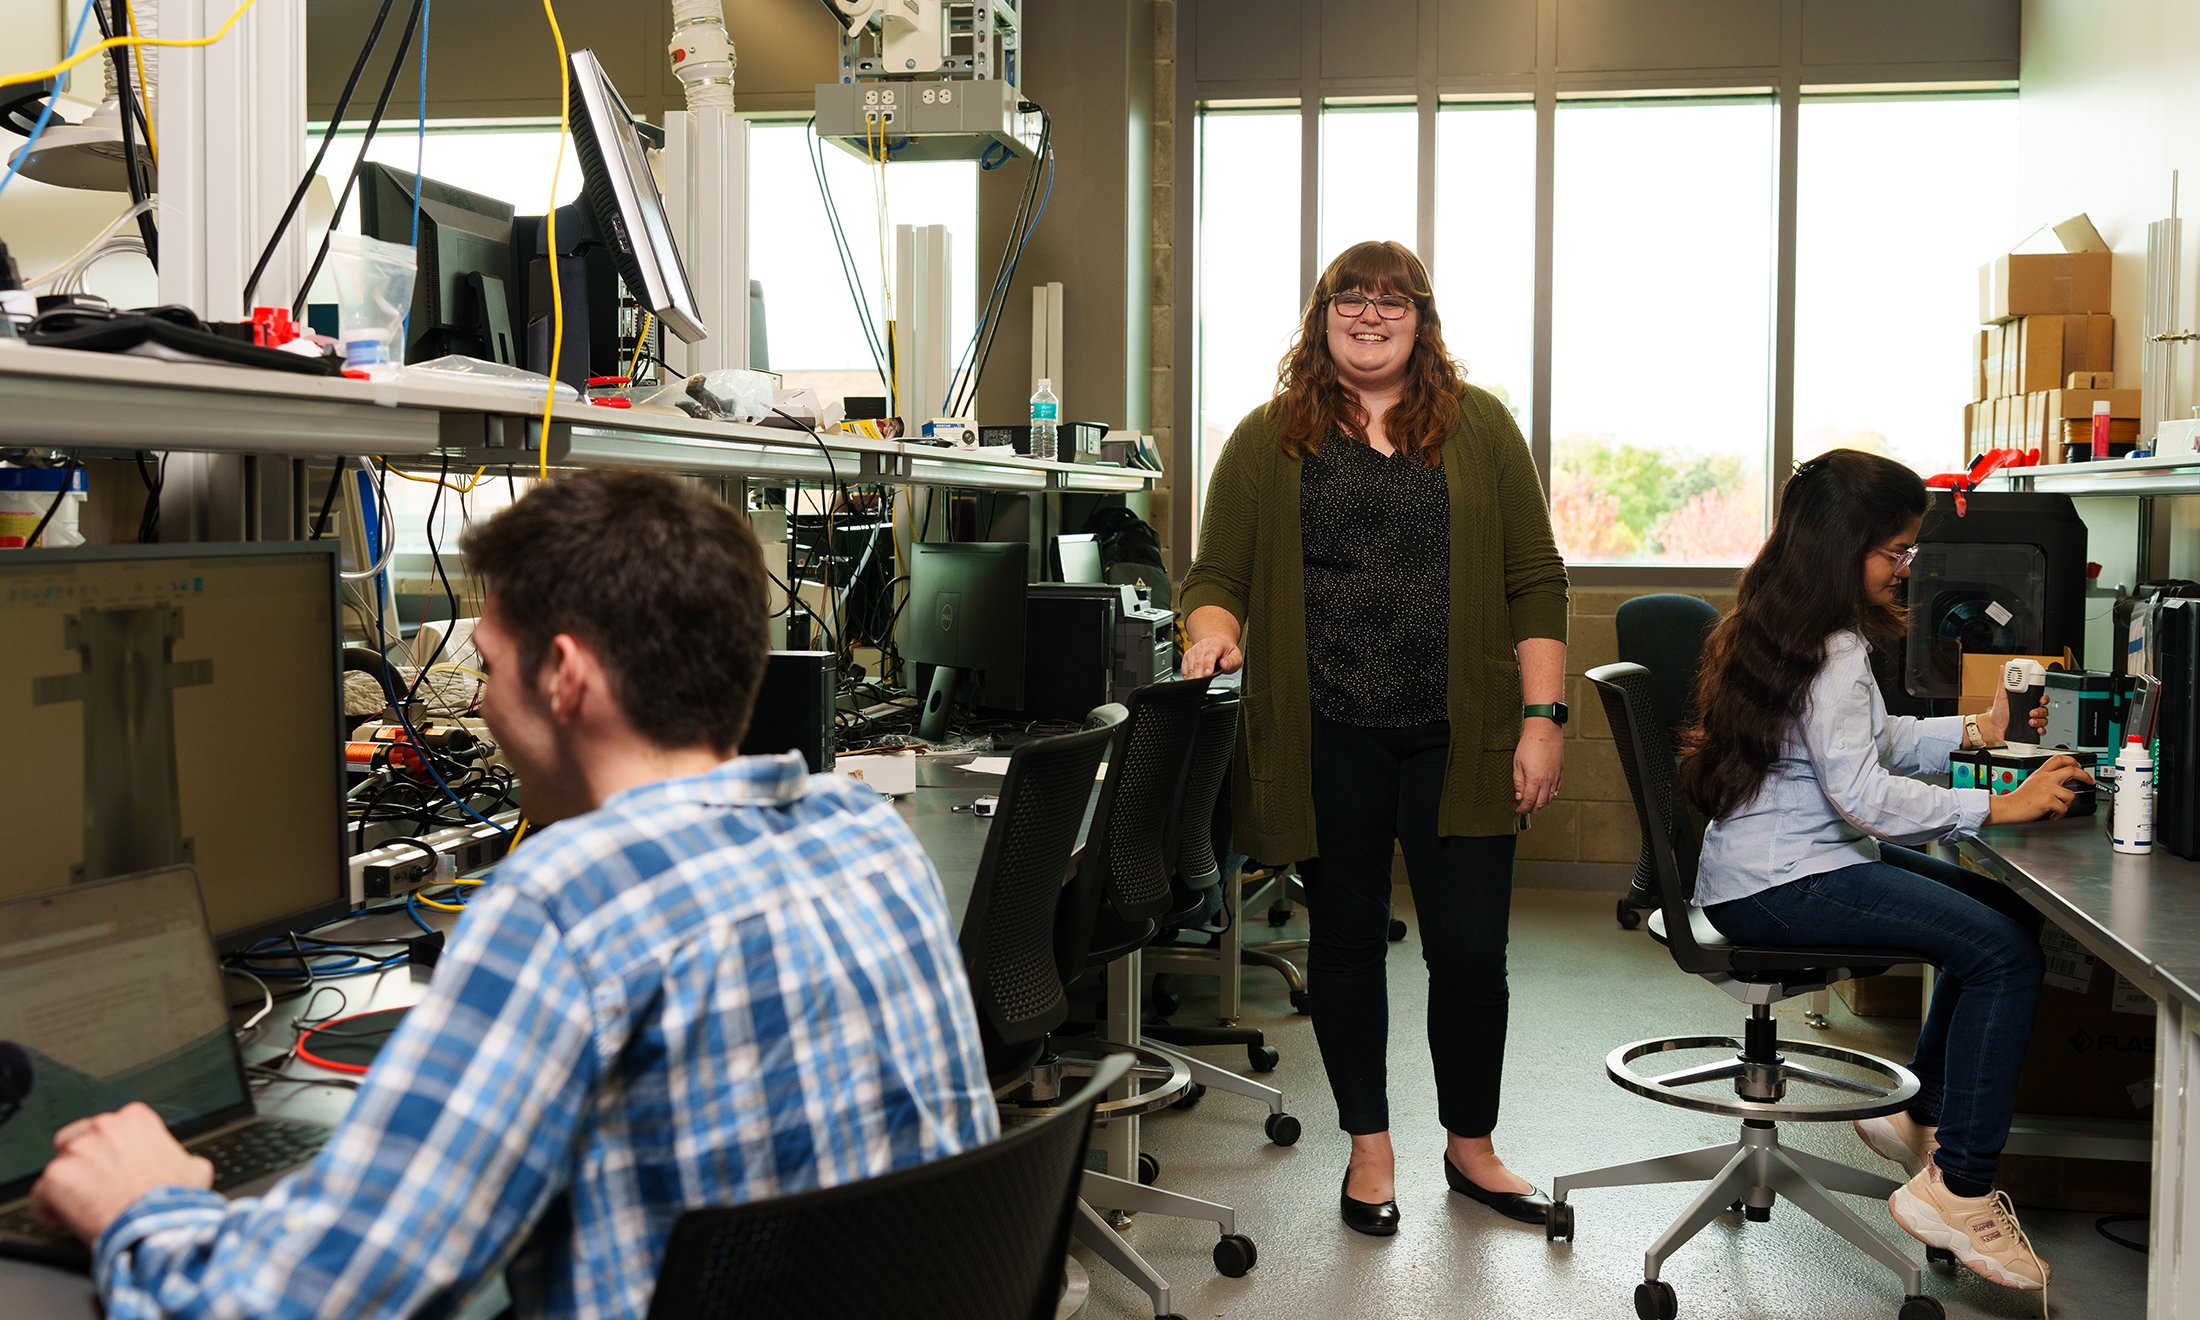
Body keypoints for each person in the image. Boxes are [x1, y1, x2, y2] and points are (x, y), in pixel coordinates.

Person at [31, 470, 999, 1318]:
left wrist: (144, 1201)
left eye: (488, 667)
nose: (483, 703)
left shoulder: (568, 900)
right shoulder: (865, 835)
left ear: (565, 674)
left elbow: (304, 1299)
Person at [1180, 239, 1570, 1237]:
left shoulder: (1479, 428)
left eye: (1389, 300)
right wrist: (1213, 638)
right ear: (1321, 318)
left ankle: (1471, 1148)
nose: (1367, 313)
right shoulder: (1272, 437)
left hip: (1461, 737)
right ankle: (1369, 1150)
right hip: (1328, 736)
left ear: (1421, 319)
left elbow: (1535, 577)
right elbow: (1216, 574)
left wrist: (1542, 718)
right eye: (1347, 298)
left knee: (1472, 954)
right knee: (1346, 946)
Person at [1684, 448, 2082, 1294]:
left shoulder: (1794, 624)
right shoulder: (1829, 648)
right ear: (1841, 546)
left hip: (1781, 866)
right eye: (1894, 552)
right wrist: (1996, 806)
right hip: (1782, 887)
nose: (1906, 569)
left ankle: (1925, 1116)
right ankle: (1960, 1189)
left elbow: (1868, 742)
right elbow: (1862, 794)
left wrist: (1973, 731)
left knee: (2005, 920)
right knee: (2004, 954)